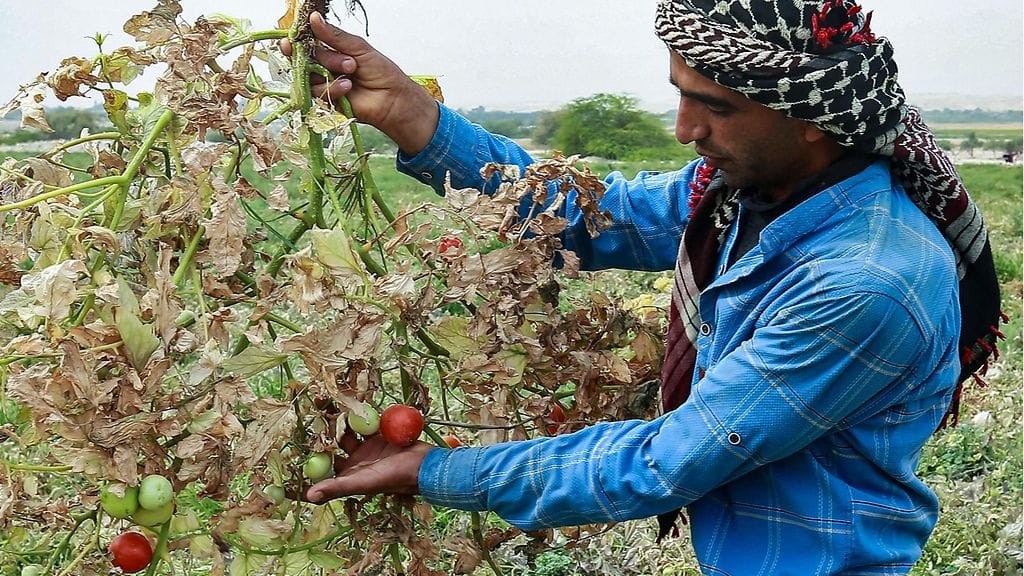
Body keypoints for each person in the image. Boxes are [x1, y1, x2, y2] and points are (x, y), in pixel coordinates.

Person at [284, 1, 1003, 573]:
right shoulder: (742, 189)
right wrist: (408, 113)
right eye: (680, 96)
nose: (686, 128)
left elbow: (666, 461)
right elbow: (591, 218)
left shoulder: (865, 284)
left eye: (714, 107)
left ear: (815, 119)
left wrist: (438, 471)